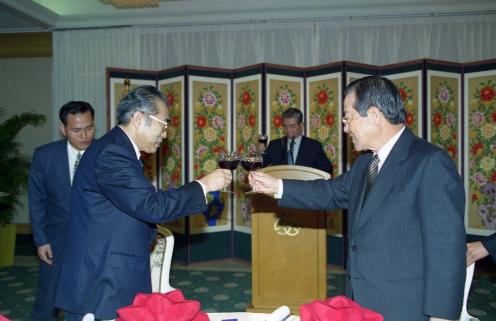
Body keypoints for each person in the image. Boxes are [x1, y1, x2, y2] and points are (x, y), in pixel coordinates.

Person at [249, 76, 466, 321]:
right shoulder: (366, 163)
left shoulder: (430, 162)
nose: (344, 127)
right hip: (361, 302)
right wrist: (277, 186)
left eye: (347, 117)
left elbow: (446, 251)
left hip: (404, 306)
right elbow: (331, 192)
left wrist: (441, 316)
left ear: (373, 115)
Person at [54, 85, 232, 321]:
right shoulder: (113, 153)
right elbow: (152, 206)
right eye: (163, 124)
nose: (165, 134)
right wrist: (204, 185)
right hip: (102, 282)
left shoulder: (117, 148)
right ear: (139, 118)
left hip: (109, 273)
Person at [29, 101, 95, 321]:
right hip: (56, 240)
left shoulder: (105, 154)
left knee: (90, 298)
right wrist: (41, 240)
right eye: (76, 130)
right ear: (63, 129)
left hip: (94, 240)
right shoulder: (44, 156)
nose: (84, 135)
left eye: (89, 128)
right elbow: (37, 201)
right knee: (48, 297)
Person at [261, 107, 333, 174]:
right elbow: (251, 164)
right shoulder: (275, 145)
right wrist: (257, 153)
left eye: (292, 126)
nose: (287, 130)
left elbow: (328, 169)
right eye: (285, 126)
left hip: (304, 186)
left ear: (301, 125)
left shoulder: (314, 146)